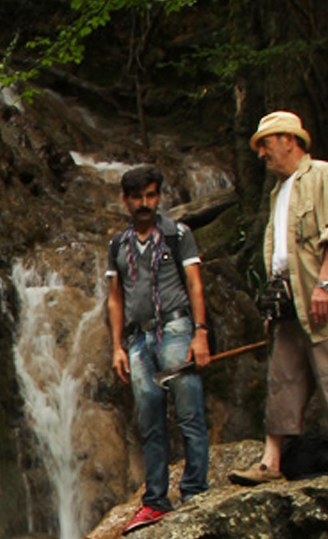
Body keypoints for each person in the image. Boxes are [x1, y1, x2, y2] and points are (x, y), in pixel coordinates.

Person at [230, 111, 328, 486]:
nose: (261, 154)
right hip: (288, 299)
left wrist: (326, 283)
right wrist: (272, 300)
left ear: (288, 140)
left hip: (320, 292)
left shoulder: (325, 175)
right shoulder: (278, 191)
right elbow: (279, 252)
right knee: (282, 377)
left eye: (265, 144)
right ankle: (271, 463)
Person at [106, 166, 212, 533]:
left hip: (177, 328)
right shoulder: (117, 245)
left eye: (151, 196)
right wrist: (116, 346)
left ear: (159, 197)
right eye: (137, 197)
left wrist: (200, 334)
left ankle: (195, 492)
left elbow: (195, 285)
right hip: (137, 340)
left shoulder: (177, 234)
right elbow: (115, 298)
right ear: (126, 200)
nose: (144, 204)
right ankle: (154, 501)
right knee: (150, 422)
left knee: (189, 414)